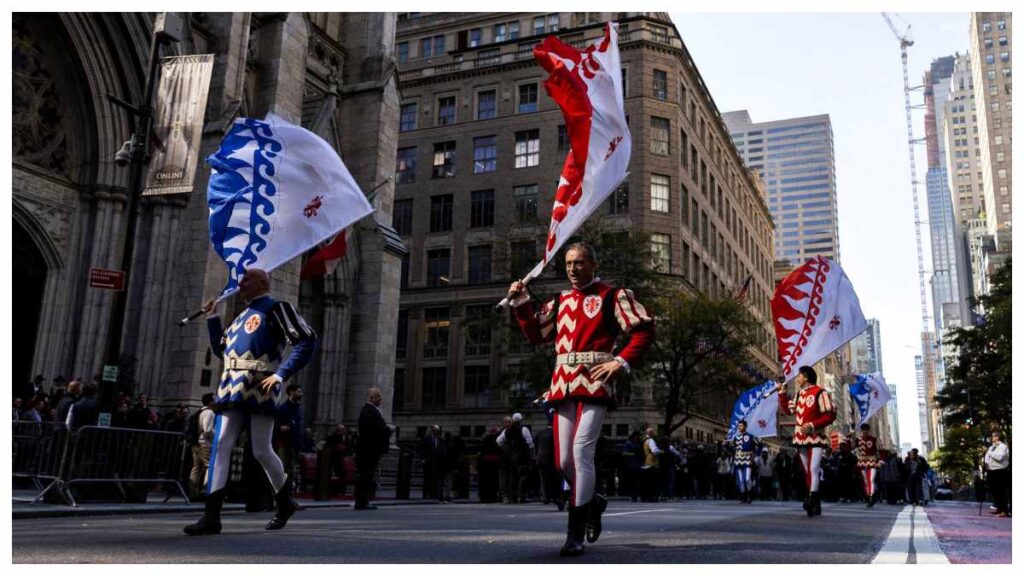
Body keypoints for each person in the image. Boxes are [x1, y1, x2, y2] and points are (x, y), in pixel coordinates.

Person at [508, 242, 654, 556]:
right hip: (562, 384)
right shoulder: (558, 301)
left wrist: (621, 361)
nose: (573, 269)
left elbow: (643, 330)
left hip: (596, 382)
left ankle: (574, 534)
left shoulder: (613, 296)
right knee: (562, 461)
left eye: (580, 262)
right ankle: (593, 501)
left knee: (580, 451)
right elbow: (536, 336)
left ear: (593, 264)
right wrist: (521, 302)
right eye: (569, 263)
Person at [184, 268, 318, 535]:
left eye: (246, 280)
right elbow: (221, 351)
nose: (240, 284)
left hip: (259, 386)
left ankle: (284, 499)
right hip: (230, 386)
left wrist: (281, 374)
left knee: (261, 450)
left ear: (261, 283)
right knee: (221, 444)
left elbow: (306, 340)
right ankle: (211, 516)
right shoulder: (239, 318)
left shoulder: (277, 308)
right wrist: (213, 318)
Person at [778, 365, 836, 517]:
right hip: (800, 438)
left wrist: (812, 425)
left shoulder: (820, 392)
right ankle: (815, 503)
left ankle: (812, 499)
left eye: (799, 375)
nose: (797, 378)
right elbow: (788, 410)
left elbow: (829, 415)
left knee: (814, 468)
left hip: (816, 437)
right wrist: (782, 393)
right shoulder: (798, 395)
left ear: (807, 377)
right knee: (807, 471)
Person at [355, 387, 393, 510]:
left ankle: (363, 500)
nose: (381, 398)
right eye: (378, 396)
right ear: (371, 397)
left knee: (367, 476)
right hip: (368, 450)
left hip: (369, 450)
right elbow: (375, 430)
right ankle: (362, 501)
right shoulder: (369, 411)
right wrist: (388, 429)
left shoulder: (370, 411)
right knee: (366, 476)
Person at [497, 412, 534, 503]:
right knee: (522, 477)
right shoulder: (524, 429)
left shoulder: (507, 430)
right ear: (521, 420)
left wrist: (506, 448)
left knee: (512, 478)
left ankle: (512, 497)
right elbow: (530, 443)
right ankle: (521, 496)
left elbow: (498, 441)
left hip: (510, 458)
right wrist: (530, 453)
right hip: (522, 457)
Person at [187, 393, 217, 499]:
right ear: (210, 402)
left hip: (197, 443)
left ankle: (192, 492)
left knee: (197, 467)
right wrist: (217, 438)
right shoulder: (209, 413)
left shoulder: (200, 412)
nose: (217, 400)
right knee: (210, 466)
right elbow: (208, 430)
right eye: (215, 399)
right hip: (205, 444)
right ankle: (205, 490)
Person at [274, 383, 304, 485]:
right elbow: (276, 425)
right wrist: (281, 428)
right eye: (299, 391)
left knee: (292, 470)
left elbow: (298, 424)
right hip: (284, 443)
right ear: (291, 392)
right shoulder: (283, 408)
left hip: (295, 443)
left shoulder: (298, 408)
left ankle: (289, 495)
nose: (301, 394)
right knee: (284, 468)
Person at [728, 420, 762, 503]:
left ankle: (749, 494)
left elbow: (760, 444)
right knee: (740, 480)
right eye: (739, 426)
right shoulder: (736, 438)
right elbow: (731, 448)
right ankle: (743, 495)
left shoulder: (751, 436)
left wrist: (756, 455)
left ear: (745, 427)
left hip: (747, 459)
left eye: (741, 426)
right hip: (738, 459)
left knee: (747, 479)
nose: (739, 427)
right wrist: (726, 445)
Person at [535, 412, 563, 510]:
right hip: (550, 460)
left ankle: (544, 496)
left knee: (542, 478)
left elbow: (535, 445)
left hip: (540, 459)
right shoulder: (554, 434)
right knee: (552, 478)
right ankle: (552, 496)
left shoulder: (540, 433)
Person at [984, 430, 1010, 517]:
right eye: (992, 436)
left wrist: (990, 453)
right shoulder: (992, 447)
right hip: (991, 471)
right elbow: (987, 456)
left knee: (1001, 491)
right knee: (994, 491)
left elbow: (999, 457)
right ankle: (999, 509)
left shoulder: (1003, 447)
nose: (992, 438)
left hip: (1000, 471)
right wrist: (986, 463)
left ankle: (1004, 511)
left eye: (994, 436)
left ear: (998, 437)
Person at [856, 423, 881, 507]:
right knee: (866, 481)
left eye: (866, 429)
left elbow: (878, 451)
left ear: (868, 430)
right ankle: (868, 497)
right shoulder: (858, 440)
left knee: (871, 479)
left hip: (872, 461)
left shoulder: (873, 439)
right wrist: (848, 439)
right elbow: (850, 448)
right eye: (863, 430)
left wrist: (880, 461)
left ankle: (871, 497)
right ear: (861, 430)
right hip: (862, 461)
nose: (865, 431)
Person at [640, 427, 662, 503]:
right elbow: (654, 450)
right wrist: (660, 451)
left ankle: (645, 497)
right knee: (653, 482)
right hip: (652, 463)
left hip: (645, 463)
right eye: (653, 432)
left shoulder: (643, 440)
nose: (654, 433)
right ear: (650, 433)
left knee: (646, 482)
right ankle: (652, 497)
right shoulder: (651, 440)